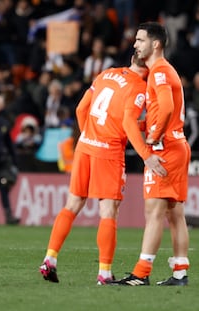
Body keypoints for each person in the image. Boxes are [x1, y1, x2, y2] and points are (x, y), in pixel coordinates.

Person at [39, 54, 165, 285]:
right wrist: (146, 155)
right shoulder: (139, 87)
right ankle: (104, 273)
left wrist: (91, 135)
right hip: (108, 152)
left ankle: (50, 259)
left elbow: (80, 109)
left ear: (131, 59)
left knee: (72, 204)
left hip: (85, 146)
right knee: (108, 211)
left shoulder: (106, 74)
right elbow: (126, 123)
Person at [114, 22, 191, 286]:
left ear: (155, 44)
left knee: (155, 211)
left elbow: (167, 107)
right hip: (178, 144)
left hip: (166, 148)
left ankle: (141, 273)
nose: (135, 44)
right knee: (174, 213)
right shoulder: (165, 70)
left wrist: (154, 135)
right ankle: (180, 273)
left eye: (140, 40)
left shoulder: (159, 71)